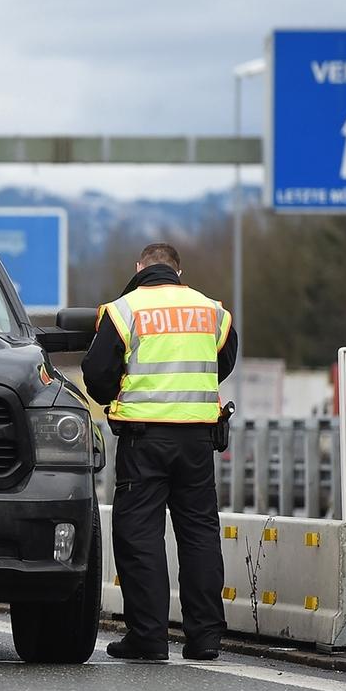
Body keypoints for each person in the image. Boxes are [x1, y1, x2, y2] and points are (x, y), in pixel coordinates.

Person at [82, 242, 238, 662]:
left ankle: (148, 638)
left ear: (139, 268)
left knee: (140, 535)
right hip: (198, 441)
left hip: (144, 440)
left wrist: (124, 390)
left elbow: (96, 375)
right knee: (199, 534)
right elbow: (224, 361)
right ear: (178, 271)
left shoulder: (124, 310)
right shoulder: (211, 311)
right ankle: (205, 638)